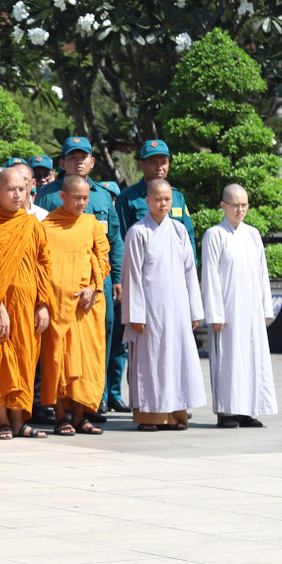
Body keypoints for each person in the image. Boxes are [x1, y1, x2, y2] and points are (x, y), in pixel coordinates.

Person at [33, 137, 124, 415]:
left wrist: (108, 282)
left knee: (96, 345)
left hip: (94, 288)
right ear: (62, 163)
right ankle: (52, 406)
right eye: (72, 157)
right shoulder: (48, 195)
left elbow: (112, 243)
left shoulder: (101, 197)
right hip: (58, 290)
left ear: (93, 161)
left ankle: (97, 400)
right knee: (57, 351)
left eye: (84, 156)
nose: (79, 161)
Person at [113, 139, 197, 410]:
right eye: (153, 161)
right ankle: (126, 399)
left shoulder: (178, 196)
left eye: (163, 161)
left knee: (175, 350)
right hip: (144, 288)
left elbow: (188, 241)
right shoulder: (128, 198)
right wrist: (122, 284)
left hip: (174, 292)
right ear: (141, 164)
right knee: (140, 350)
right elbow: (121, 241)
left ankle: (176, 403)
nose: (159, 166)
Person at [0, 166, 54, 439]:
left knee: (24, 359)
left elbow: (45, 264)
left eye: (22, 189)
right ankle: (2, 421)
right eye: (10, 189)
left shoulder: (33, 226)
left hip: (27, 306)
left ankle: (19, 421)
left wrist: (43, 303)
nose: (17, 195)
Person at [122, 179, 205, 431]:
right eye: (157, 199)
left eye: (167, 199)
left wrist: (194, 309)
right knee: (152, 362)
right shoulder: (138, 232)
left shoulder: (179, 231)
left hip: (177, 309)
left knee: (177, 360)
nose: (163, 204)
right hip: (149, 311)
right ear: (147, 200)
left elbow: (190, 272)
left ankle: (177, 415)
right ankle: (150, 417)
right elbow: (132, 275)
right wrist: (135, 313)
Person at [201, 184, 277, 429]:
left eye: (244, 205)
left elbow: (262, 273)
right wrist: (215, 312)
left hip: (251, 309)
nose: (240, 209)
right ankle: (227, 411)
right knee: (228, 358)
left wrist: (266, 307)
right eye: (235, 205)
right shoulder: (214, 235)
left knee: (251, 358)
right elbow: (210, 275)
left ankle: (247, 410)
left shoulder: (253, 234)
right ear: (223, 206)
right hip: (228, 309)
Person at [40, 175, 110, 436]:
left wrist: (94, 288)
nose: (82, 203)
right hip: (57, 304)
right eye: (77, 198)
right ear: (63, 196)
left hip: (86, 305)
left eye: (86, 199)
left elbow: (103, 259)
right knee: (58, 361)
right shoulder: (47, 225)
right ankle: (60, 417)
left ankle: (80, 416)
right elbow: (41, 264)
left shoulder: (92, 224)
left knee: (85, 360)